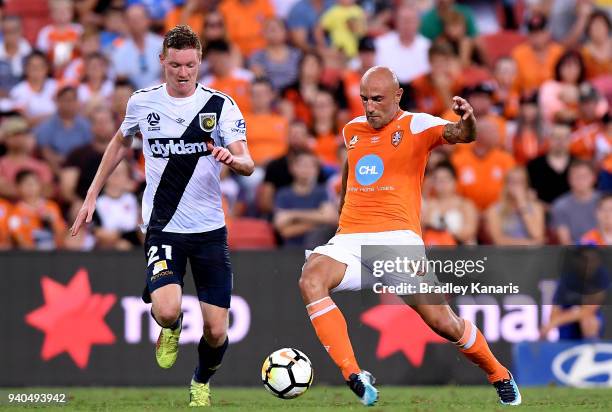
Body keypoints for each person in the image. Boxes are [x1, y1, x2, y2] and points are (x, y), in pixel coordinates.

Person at [298, 66, 521, 406]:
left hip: (396, 240)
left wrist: (469, 118)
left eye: (377, 99)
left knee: (443, 322)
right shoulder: (351, 130)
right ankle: (354, 374)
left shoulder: (417, 125)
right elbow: (351, 167)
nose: (369, 107)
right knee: (311, 277)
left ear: (397, 96)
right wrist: (344, 215)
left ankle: (498, 372)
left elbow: (464, 134)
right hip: (350, 239)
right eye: (364, 100)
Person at [70, 25, 254, 407]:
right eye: (175, 65)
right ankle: (170, 326)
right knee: (167, 309)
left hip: (209, 229)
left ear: (200, 61)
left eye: (190, 64)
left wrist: (232, 160)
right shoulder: (142, 102)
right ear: (162, 62)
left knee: (218, 331)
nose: (183, 73)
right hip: (163, 226)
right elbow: (121, 142)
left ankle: (201, 380)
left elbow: (248, 162)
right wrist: (91, 195)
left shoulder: (221, 105)